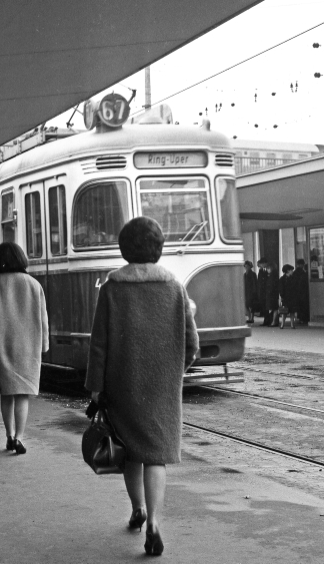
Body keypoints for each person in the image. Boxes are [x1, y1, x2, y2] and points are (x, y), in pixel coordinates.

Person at [85, 217, 198, 557]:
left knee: (130, 449)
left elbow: (99, 344)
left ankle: (138, 510)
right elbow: (191, 343)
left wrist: (95, 386)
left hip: (123, 384)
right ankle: (155, 523)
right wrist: (174, 371)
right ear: (158, 249)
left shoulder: (112, 288)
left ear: (124, 248)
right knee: (156, 456)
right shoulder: (175, 288)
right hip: (162, 387)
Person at [0, 242, 49, 455]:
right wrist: (44, 346)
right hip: (28, 348)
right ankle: (20, 437)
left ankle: (9, 435)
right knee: (23, 395)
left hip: (1, 346)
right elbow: (43, 320)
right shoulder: (34, 285)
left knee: (7, 394)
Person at [278, 264, 298, 329]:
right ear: (288, 270)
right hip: (286, 297)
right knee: (285, 311)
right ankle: (284, 324)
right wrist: (282, 296)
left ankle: (289, 324)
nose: (292, 271)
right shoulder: (282, 279)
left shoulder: (286, 278)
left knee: (291, 311)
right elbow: (281, 289)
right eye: (291, 270)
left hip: (291, 297)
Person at [293, 258, 310, 324]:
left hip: (297, 292)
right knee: (304, 306)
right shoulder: (303, 273)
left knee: (300, 306)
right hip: (303, 292)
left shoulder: (295, 273)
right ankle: (303, 319)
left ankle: (300, 318)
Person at [265, 262, 280, 327]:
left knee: (273, 308)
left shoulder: (272, 276)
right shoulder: (274, 275)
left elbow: (271, 286)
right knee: (273, 308)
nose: (267, 270)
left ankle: (274, 321)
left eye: (268, 268)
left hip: (271, 294)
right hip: (273, 294)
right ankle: (274, 321)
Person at [256, 258, 270, 325]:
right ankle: (266, 320)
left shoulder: (267, 270)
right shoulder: (261, 271)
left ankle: (267, 320)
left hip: (265, 291)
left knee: (266, 307)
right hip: (262, 292)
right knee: (264, 307)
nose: (260, 266)